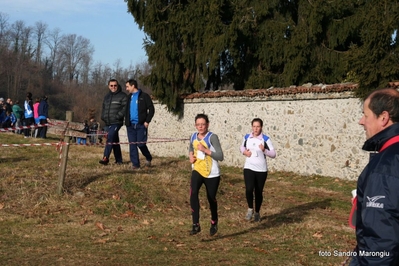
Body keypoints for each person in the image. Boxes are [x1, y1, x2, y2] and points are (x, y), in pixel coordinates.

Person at [349, 88, 399, 265]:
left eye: (366, 115)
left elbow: (380, 242)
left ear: (383, 118)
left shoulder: (385, 167)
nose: (361, 121)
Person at [188, 113, 224, 236]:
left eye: (203, 124)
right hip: (197, 169)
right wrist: (190, 157)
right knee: (193, 193)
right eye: (198, 124)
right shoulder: (193, 136)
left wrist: (205, 150)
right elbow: (191, 149)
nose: (201, 127)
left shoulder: (212, 137)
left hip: (211, 173)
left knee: (211, 198)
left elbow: (220, 156)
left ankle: (214, 221)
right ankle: (195, 224)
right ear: (195, 125)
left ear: (207, 125)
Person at [240, 118, 276, 222]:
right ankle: (250, 209)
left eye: (258, 126)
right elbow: (241, 147)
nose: (256, 129)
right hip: (249, 167)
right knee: (249, 189)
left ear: (261, 127)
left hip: (261, 170)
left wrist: (264, 150)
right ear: (252, 127)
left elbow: (273, 154)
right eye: (254, 126)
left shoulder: (265, 139)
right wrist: (244, 152)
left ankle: (257, 212)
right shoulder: (247, 137)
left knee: (258, 191)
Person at [125, 79, 155, 169]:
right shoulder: (128, 97)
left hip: (141, 125)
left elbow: (152, 109)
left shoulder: (144, 96)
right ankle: (135, 165)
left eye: (127, 86)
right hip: (130, 125)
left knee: (141, 144)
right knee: (132, 145)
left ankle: (148, 157)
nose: (126, 89)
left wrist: (147, 121)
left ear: (133, 86)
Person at [99, 79, 127, 165]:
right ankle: (119, 160)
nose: (113, 87)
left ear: (117, 86)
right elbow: (104, 108)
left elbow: (125, 108)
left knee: (110, 137)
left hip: (117, 121)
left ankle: (105, 157)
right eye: (111, 85)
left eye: (115, 85)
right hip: (108, 122)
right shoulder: (107, 96)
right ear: (109, 86)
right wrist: (103, 116)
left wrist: (118, 116)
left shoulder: (123, 96)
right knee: (114, 140)